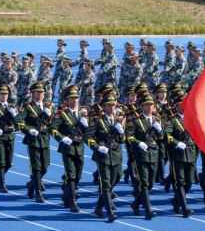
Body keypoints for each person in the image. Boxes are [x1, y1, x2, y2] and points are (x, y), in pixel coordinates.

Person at [83, 93, 125, 222]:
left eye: (114, 105)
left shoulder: (118, 120)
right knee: (105, 183)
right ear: (104, 106)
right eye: (109, 105)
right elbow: (87, 137)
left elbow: (122, 140)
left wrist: (122, 132)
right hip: (103, 155)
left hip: (116, 154)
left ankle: (99, 206)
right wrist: (97, 148)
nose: (112, 107)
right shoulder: (97, 120)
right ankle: (109, 211)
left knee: (117, 176)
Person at [49, 85, 88, 212]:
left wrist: (87, 126)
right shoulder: (62, 114)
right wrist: (61, 138)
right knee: (70, 174)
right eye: (71, 98)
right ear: (67, 100)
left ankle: (66, 194)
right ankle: (72, 202)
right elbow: (52, 129)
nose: (74, 100)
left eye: (76, 97)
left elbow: (90, 132)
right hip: (68, 147)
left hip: (80, 146)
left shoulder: (83, 114)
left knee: (78, 175)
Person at [14, 82, 55, 203]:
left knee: (45, 166)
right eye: (37, 92)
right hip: (33, 139)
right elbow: (18, 121)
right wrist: (28, 130)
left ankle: (32, 184)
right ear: (33, 93)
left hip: (45, 138)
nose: (40, 94)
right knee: (36, 167)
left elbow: (55, 122)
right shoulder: (27, 106)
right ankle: (38, 193)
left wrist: (50, 116)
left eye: (42, 92)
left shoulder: (49, 106)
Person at [125, 93, 164, 220]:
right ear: (142, 106)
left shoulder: (157, 120)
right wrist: (139, 143)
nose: (150, 107)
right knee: (144, 183)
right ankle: (148, 210)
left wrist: (160, 131)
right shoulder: (136, 121)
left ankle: (136, 203)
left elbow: (162, 138)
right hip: (141, 155)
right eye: (147, 105)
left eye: (152, 104)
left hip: (153, 154)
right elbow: (129, 136)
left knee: (151, 183)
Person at [164, 90, 199, 218]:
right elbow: (166, 135)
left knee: (189, 182)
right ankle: (185, 207)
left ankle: (176, 199)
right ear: (177, 106)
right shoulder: (172, 121)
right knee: (180, 182)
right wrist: (176, 143)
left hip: (190, 154)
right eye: (182, 104)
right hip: (177, 155)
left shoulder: (192, 119)